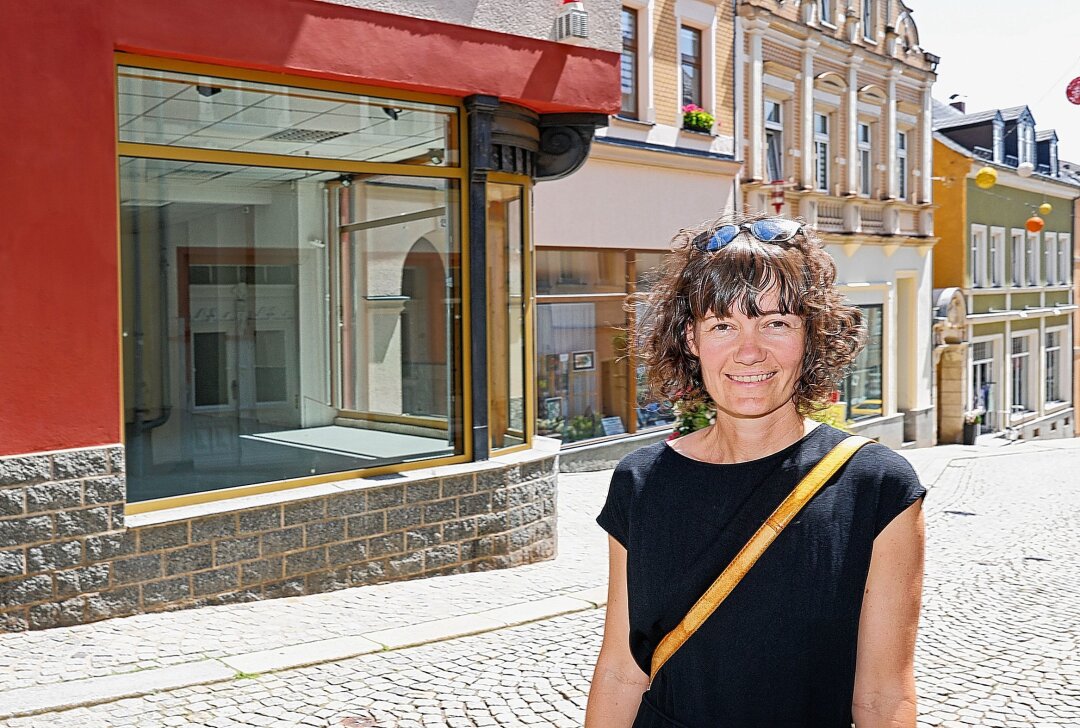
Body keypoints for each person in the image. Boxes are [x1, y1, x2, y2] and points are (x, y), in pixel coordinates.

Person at [585, 214, 926, 728]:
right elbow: (620, 670)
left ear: (810, 336)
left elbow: (882, 696)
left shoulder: (877, 487)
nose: (749, 351)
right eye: (723, 324)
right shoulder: (640, 482)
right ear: (692, 339)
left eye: (776, 323)